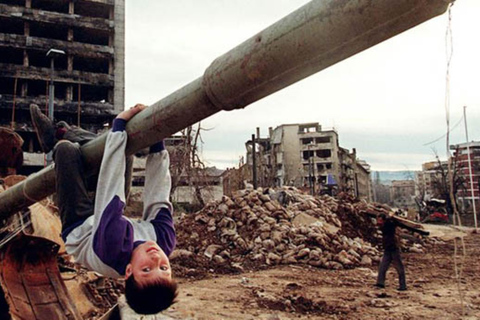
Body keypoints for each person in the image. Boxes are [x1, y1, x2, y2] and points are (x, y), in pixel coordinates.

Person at [30, 103, 178, 314]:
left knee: (66, 151)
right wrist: (157, 143)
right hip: (112, 218)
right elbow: (159, 194)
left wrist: (118, 124)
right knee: (125, 151)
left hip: (80, 226)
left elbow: (111, 191)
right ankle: (61, 131)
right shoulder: (164, 241)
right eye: (164, 268)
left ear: (128, 271)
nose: (156, 259)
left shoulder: (113, 247)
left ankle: (59, 137)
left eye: (146, 269)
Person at [374, 213, 411, 291]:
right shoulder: (384, 225)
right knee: (382, 266)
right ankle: (380, 283)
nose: (378, 222)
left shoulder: (389, 224)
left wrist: (390, 218)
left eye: (380, 220)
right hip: (387, 249)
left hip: (394, 248)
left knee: (399, 267)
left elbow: (394, 223)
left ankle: (403, 286)